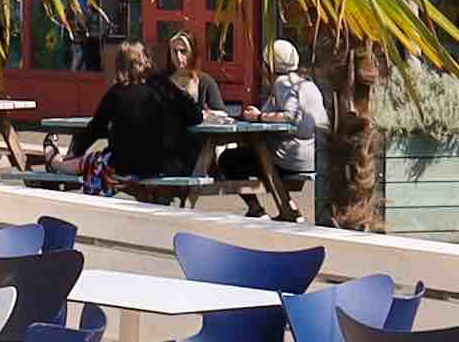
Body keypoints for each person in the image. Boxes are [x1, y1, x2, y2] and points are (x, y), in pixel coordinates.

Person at [73, 29, 209, 194]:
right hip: (163, 166)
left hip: (124, 166)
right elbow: (195, 116)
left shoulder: (116, 93)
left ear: (120, 65)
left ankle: (56, 162)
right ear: (147, 61)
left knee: (95, 160)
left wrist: (76, 150)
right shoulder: (164, 87)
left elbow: (95, 128)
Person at [234, 36, 329, 220]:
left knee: (231, 160)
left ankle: (256, 209)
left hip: (291, 158)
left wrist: (259, 117)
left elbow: (291, 116)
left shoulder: (282, 82)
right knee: (261, 158)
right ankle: (289, 209)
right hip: (314, 156)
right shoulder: (307, 83)